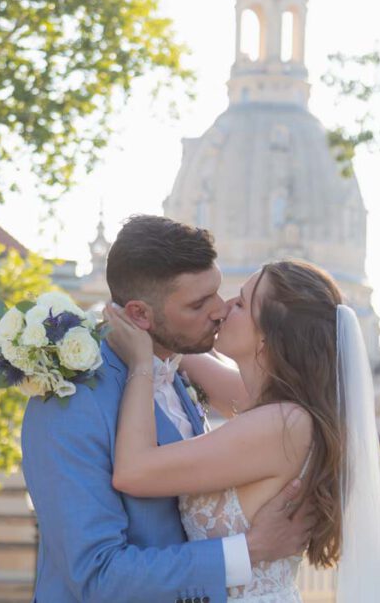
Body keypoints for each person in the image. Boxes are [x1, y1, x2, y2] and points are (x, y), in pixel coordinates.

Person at [20, 215, 313, 603]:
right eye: (197, 304)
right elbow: (97, 574)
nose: (221, 311)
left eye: (218, 292)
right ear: (140, 315)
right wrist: (248, 550)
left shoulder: (179, 370)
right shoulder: (72, 398)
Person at [104, 256, 380, 602]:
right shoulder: (276, 408)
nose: (223, 308)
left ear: (266, 339)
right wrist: (149, 320)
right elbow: (186, 354)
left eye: (241, 303)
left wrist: (140, 362)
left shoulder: (282, 424)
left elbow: (133, 471)